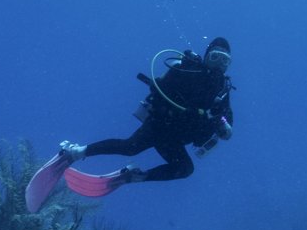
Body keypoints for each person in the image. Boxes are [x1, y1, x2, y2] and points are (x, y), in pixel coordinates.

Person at [61, 37, 235, 184]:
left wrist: (225, 128)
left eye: (224, 60)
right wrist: (183, 109)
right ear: (206, 57)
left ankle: (138, 176)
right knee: (129, 147)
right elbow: (160, 90)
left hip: (176, 140)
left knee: (185, 169)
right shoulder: (188, 70)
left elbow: (226, 118)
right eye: (215, 57)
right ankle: (77, 152)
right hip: (160, 126)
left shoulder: (222, 90)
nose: (219, 64)